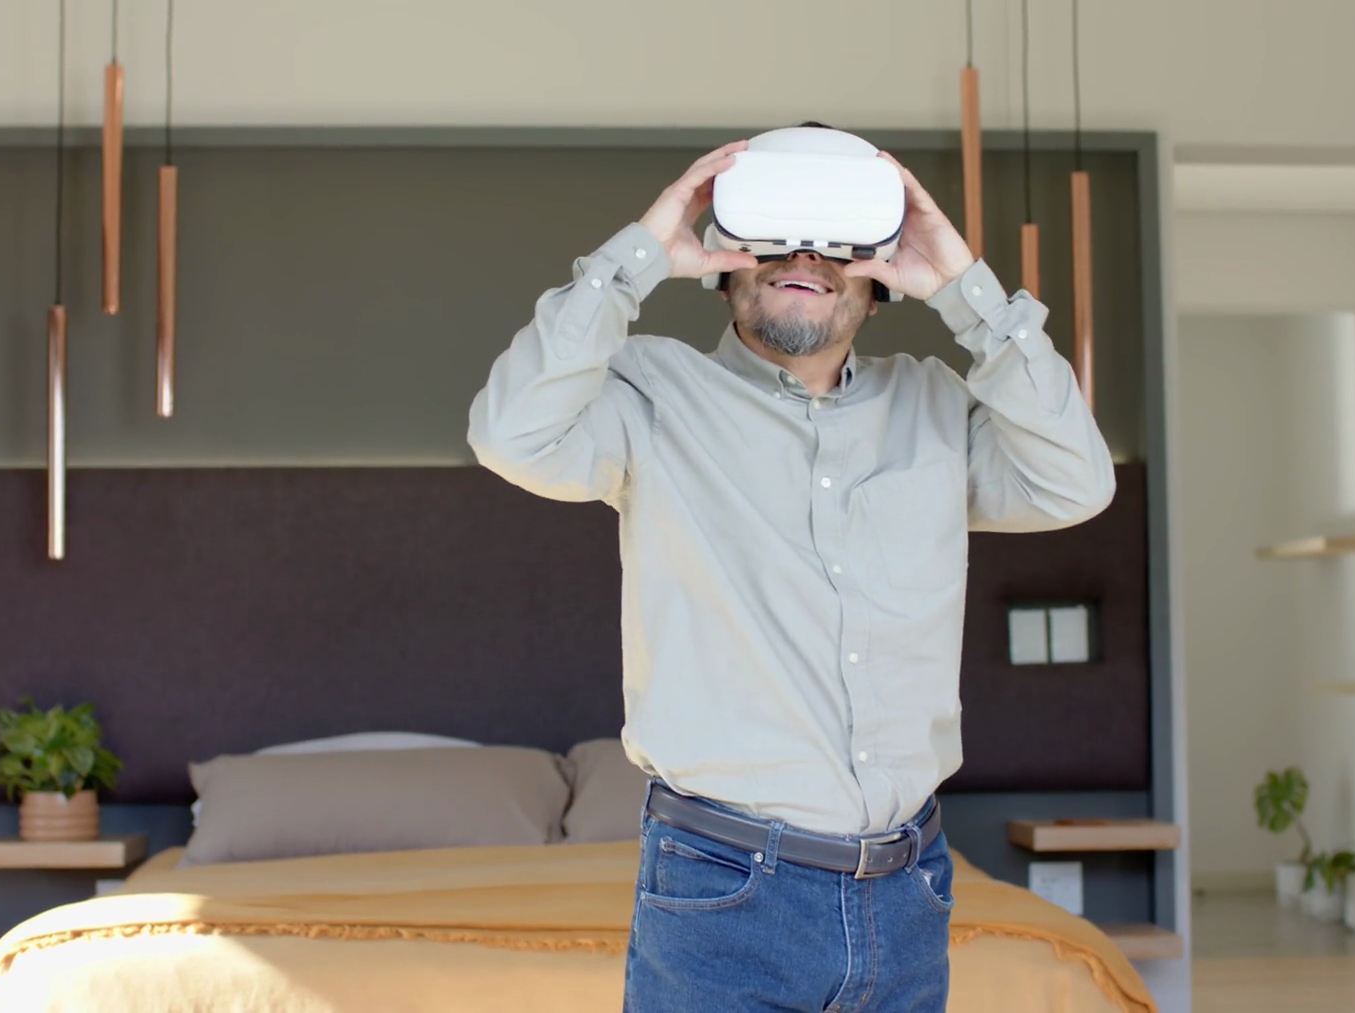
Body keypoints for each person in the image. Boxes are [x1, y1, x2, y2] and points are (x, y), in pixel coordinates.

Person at [466, 127, 1115, 1012]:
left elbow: (1077, 480)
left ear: (881, 283)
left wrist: (968, 290)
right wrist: (640, 255)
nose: (807, 255)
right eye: (775, 233)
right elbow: (509, 434)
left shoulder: (935, 405)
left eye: (839, 240)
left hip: (909, 888)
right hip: (721, 891)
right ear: (724, 265)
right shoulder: (650, 395)